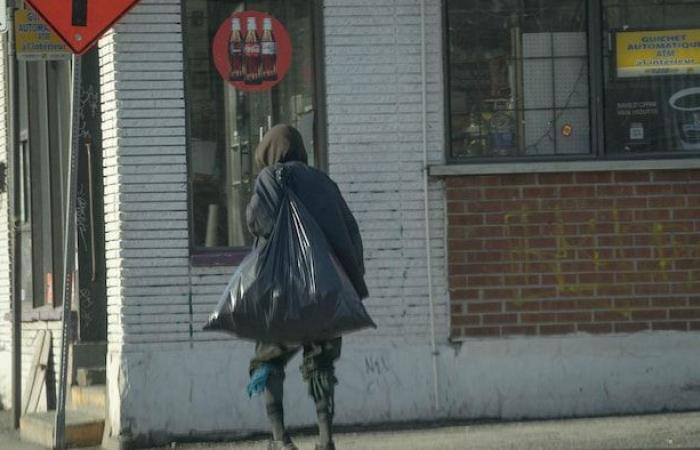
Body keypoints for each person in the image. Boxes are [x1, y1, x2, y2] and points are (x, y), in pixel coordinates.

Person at [245, 124, 368, 450]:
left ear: (269, 153)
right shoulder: (324, 182)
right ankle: (326, 439)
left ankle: (280, 439)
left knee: (267, 361)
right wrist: (354, 285)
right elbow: (350, 233)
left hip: (283, 295)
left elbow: (257, 220)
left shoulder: (270, 178)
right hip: (326, 295)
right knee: (321, 364)